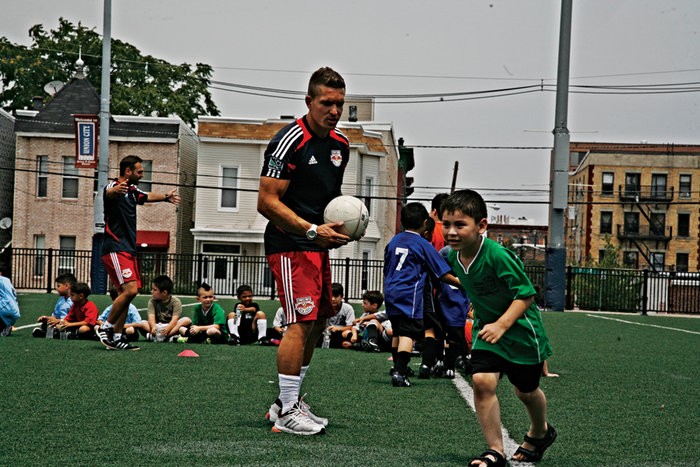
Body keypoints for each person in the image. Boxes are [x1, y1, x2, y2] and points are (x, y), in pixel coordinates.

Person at [257, 66, 351, 435]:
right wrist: (311, 230)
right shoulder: (289, 140)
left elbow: (328, 204)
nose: (334, 111)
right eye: (327, 103)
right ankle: (286, 410)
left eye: (340, 104)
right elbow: (267, 202)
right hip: (290, 242)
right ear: (309, 101)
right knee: (299, 321)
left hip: (317, 244)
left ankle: (287, 402)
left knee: (319, 321)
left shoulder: (340, 146)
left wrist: (340, 226)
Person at [441, 189, 556, 466]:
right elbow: (444, 273)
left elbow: (526, 294)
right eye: (446, 224)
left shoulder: (497, 255)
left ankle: (540, 432)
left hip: (520, 332)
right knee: (482, 382)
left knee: (526, 391)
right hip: (486, 330)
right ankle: (495, 451)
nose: (451, 232)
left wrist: (502, 324)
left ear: (481, 226)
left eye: (460, 224)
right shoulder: (451, 257)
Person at [96, 154, 180, 351]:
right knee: (130, 290)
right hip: (115, 248)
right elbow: (108, 193)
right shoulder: (114, 186)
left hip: (128, 249)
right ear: (128, 171)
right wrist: (115, 190)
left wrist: (166, 197)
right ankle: (106, 327)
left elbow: (147, 196)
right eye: (139, 171)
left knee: (128, 293)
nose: (142, 175)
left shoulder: (133, 191)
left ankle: (116, 337)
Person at [383, 202, 461, 388]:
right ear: (425, 222)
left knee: (398, 330)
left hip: (391, 291)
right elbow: (442, 274)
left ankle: (397, 367)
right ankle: (400, 373)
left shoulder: (394, 241)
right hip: (409, 293)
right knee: (408, 333)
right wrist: (463, 283)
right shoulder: (422, 244)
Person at [32, 273, 76, 338]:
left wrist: (59, 321)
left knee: (60, 327)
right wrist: (47, 318)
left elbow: (74, 318)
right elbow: (55, 316)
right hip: (59, 322)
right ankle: (52, 332)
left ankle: (51, 334)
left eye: (58, 286)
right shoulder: (60, 300)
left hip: (68, 324)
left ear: (66, 286)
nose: (57, 289)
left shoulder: (74, 301)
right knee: (48, 323)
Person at [146, 275, 188, 343]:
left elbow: (175, 320)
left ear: (164, 292)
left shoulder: (175, 302)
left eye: (154, 290)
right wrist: (153, 327)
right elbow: (151, 317)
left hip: (171, 327)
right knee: (142, 323)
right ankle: (168, 337)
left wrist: (168, 328)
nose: (151, 291)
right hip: (157, 326)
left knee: (186, 320)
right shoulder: (152, 301)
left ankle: (159, 337)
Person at [323, 282, 356, 349]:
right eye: (331, 296)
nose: (333, 299)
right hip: (326, 334)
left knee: (348, 333)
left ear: (341, 297)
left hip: (340, 333)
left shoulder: (348, 308)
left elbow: (350, 326)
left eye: (336, 296)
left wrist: (338, 328)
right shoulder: (323, 307)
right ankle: (343, 344)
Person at [0, 266, 20, 337]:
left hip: (5, 309)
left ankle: (5, 326)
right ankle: (5, 326)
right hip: (15, 312)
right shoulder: (7, 281)